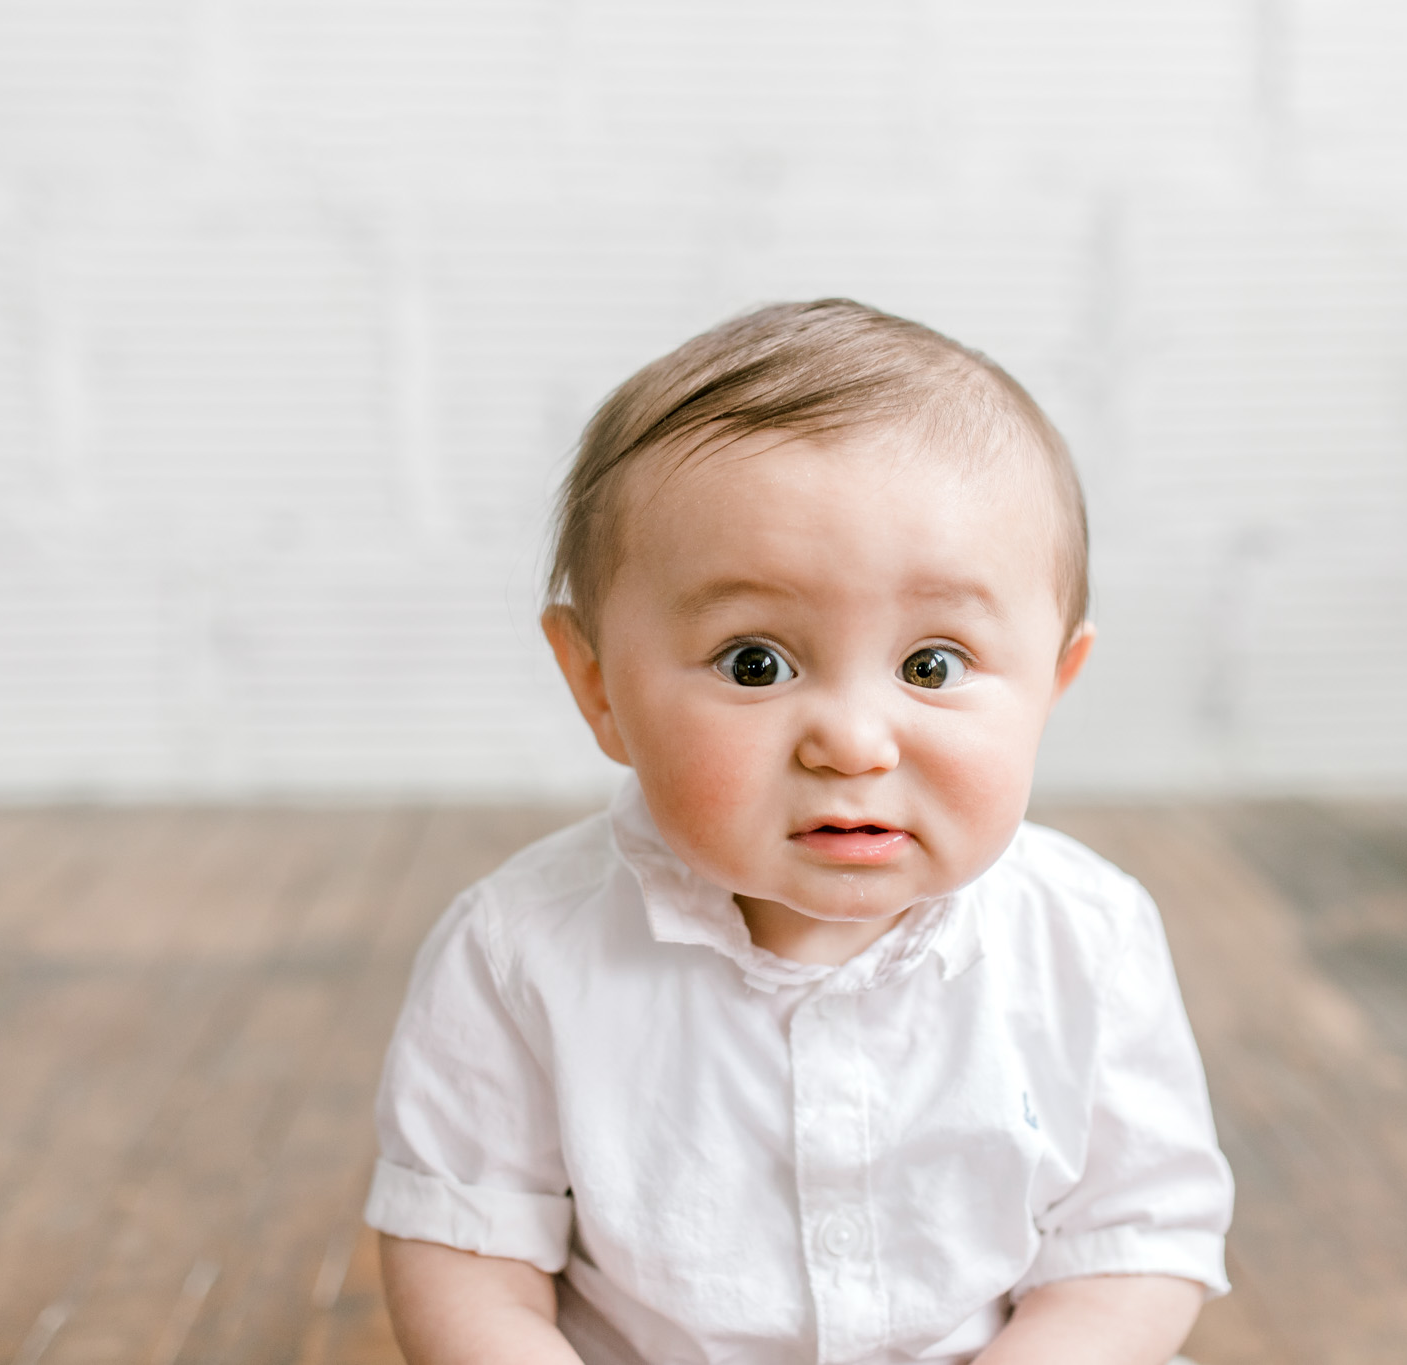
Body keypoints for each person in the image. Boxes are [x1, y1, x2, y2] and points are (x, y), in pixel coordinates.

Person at [366, 300, 1234, 1365]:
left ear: (1052, 683)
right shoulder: (518, 952)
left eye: (930, 665)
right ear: (596, 685)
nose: (854, 743)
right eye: (754, 663)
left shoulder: (1085, 939)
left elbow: (1132, 1238)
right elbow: (467, 1255)